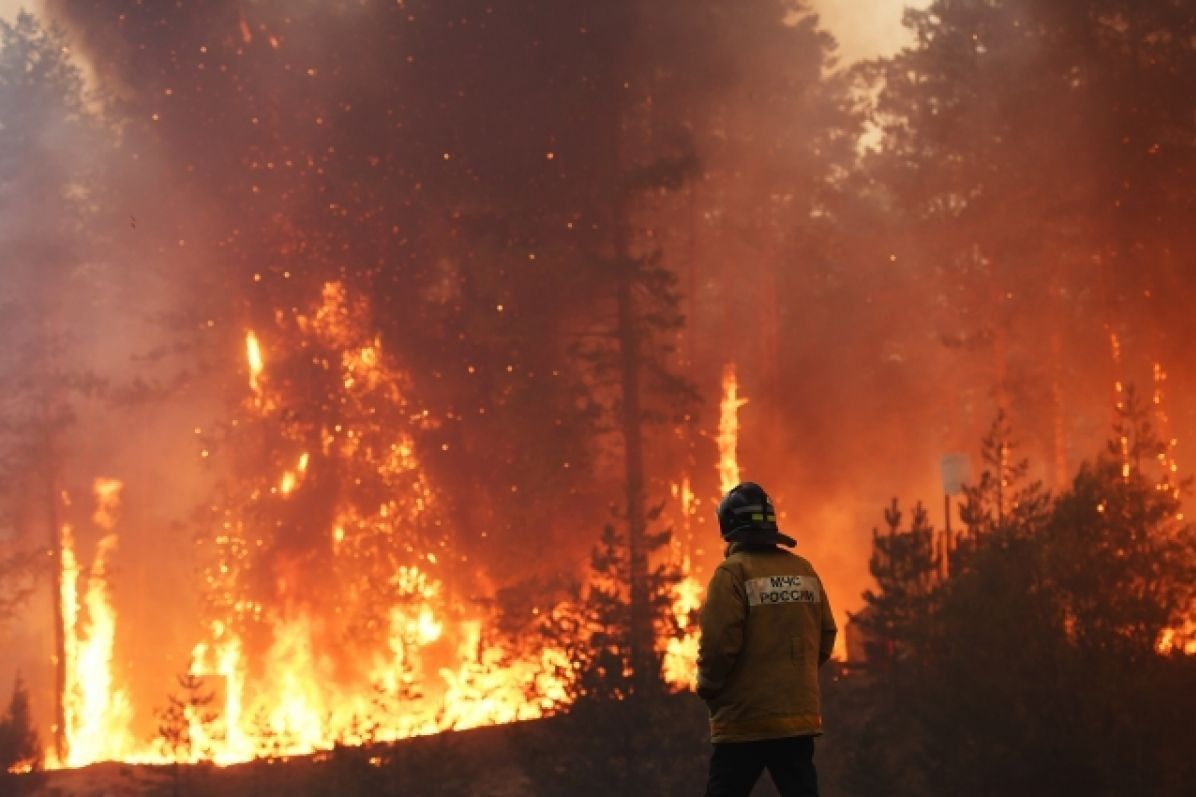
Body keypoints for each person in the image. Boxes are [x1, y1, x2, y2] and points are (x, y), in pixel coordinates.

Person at [697, 481, 837, 797]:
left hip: (744, 720)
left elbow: (719, 645)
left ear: (728, 525)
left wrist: (708, 686)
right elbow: (826, 633)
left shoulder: (732, 573)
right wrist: (796, 676)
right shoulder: (804, 570)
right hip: (796, 718)